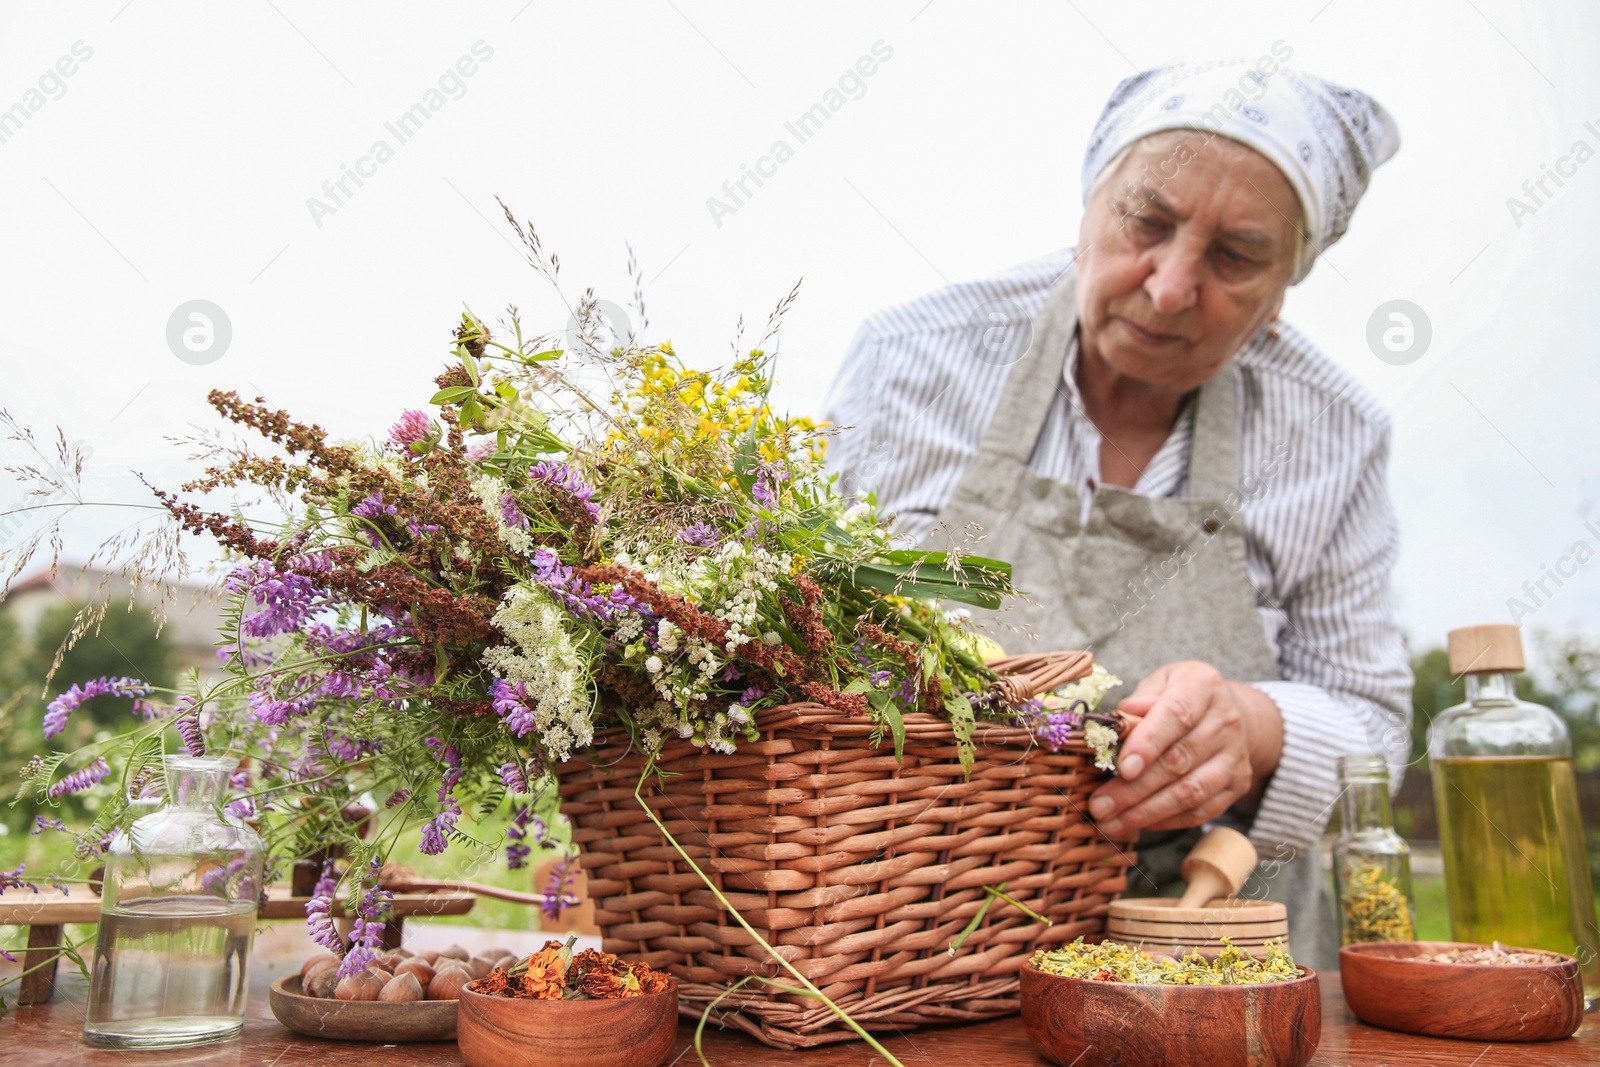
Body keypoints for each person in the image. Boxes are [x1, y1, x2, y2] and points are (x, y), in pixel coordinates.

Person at [823, 59, 1414, 973]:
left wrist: (1253, 727)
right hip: (918, 954)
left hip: (1217, 969)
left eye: (1237, 257)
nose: (1172, 286)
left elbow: (1374, 726)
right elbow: (812, 626)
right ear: (1089, 206)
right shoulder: (914, 363)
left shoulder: (1332, 433)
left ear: (1287, 283)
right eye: (1148, 221)